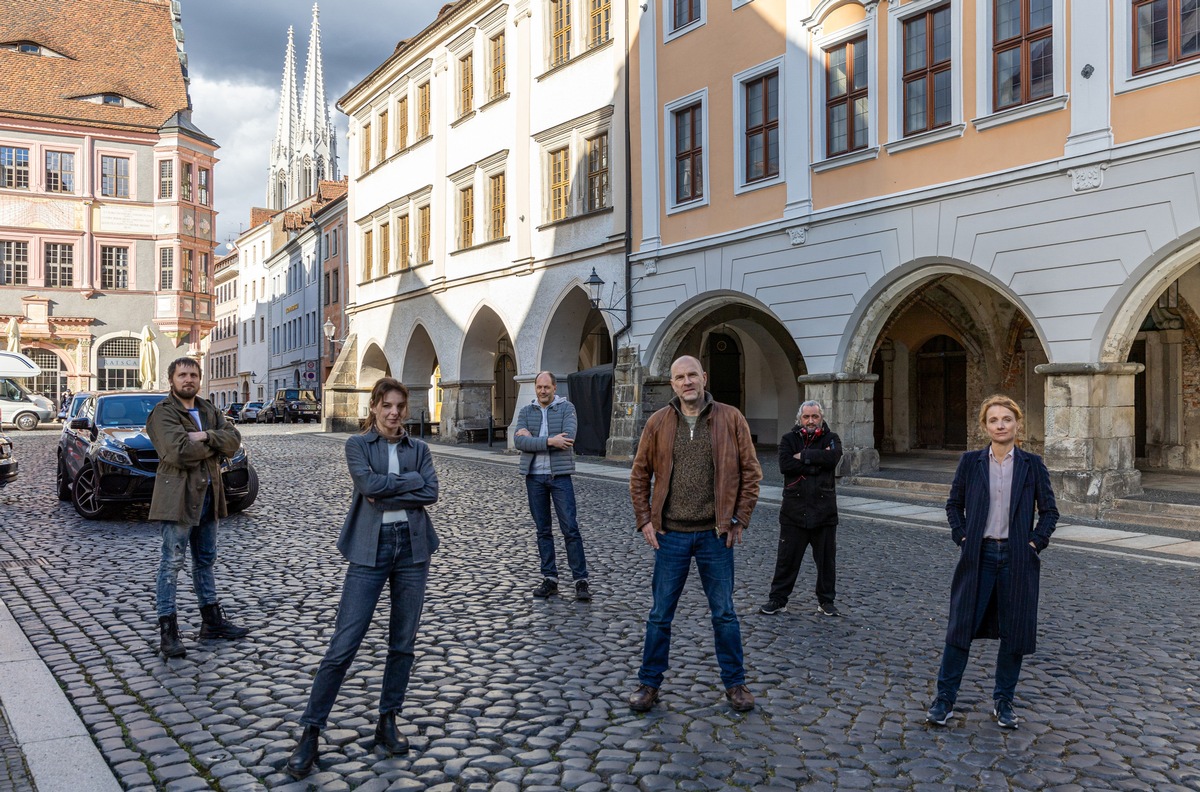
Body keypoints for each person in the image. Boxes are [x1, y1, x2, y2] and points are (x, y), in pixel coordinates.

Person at [287, 377, 439, 778]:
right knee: (344, 642)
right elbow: (368, 485)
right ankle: (311, 731)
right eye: (386, 405)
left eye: (400, 407)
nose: (394, 413)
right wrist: (409, 483)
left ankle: (387, 721)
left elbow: (431, 493)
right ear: (374, 407)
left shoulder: (419, 448)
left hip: (412, 549)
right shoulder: (357, 445)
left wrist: (389, 489)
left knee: (402, 644)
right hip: (369, 547)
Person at [627, 355, 762, 713]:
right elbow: (639, 474)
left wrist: (740, 520)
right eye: (679, 377)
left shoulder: (730, 418)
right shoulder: (658, 422)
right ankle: (649, 683)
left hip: (715, 536)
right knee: (660, 614)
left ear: (703, 377)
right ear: (672, 384)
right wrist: (644, 520)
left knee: (725, 614)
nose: (686, 382)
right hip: (670, 534)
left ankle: (735, 684)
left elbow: (751, 473)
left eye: (692, 375)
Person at [926, 395, 1058, 730]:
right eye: (993, 420)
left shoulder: (1032, 464)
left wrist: (1033, 543)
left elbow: (1050, 512)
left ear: (1017, 423)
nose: (1000, 425)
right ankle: (944, 700)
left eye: (1006, 419)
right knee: (961, 628)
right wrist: (963, 537)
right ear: (984, 426)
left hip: (1017, 558)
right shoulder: (971, 462)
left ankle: (1004, 702)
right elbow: (953, 505)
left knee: (1014, 632)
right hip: (979, 556)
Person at [147, 357, 249, 659]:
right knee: (171, 564)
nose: (188, 379)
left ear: (199, 379)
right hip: (178, 496)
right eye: (182, 375)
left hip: (209, 494)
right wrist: (215, 443)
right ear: (171, 380)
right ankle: (168, 630)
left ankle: (211, 621)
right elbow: (177, 451)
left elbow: (234, 441)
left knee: (205, 560)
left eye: (193, 374)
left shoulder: (208, 409)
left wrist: (205, 435)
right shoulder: (163, 412)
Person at [759, 400, 843, 617]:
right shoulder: (789, 439)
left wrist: (804, 457)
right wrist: (818, 462)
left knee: (826, 561)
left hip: (824, 511)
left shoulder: (831, 439)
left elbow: (833, 458)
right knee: (787, 559)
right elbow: (785, 465)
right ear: (800, 419)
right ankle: (777, 599)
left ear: (821, 418)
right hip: (794, 510)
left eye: (815, 416)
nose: (811, 421)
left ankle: (826, 601)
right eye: (807, 417)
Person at [513, 371, 590, 601]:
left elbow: (568, 439)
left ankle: (580, 580)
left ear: (555, 388)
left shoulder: (567, 409)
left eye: (547, 387)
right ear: (535, 388)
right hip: (534, 477)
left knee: (571, 529)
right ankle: (550, 578)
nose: (543, 391)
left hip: (560, 477)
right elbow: (519, 441)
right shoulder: (526, 411)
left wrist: (533, 440)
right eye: (539, 387)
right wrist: (549, 440)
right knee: (542, 530)